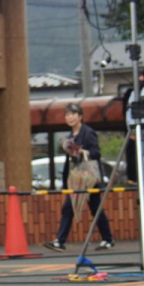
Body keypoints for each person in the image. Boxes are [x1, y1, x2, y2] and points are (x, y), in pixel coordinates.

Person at [43, 103, 115, 252]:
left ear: (80, 116)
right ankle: (107, 239)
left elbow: (96, 153)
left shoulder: (88, 132)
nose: (70, 117)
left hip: (88, 176)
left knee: (75, 207)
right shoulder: (70, 136)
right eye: (67, 115)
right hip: (77, 177)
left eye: (73, 114)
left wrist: (82, 151)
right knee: (88, 207)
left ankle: (60, 241)